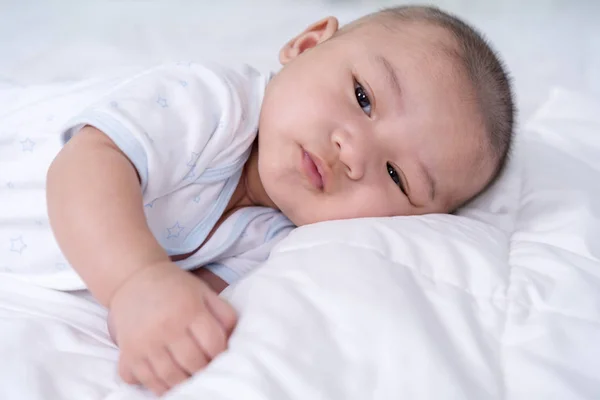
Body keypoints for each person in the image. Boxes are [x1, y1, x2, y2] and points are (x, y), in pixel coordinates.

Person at [44, 5, 515, 396]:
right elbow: (85, 165)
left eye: (396, 175)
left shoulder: (278, 241)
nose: (352, 152)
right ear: (306, 45)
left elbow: (174, 308)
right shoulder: (213, 103)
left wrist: (171, 327)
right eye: (363, 97)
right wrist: (136, 281)